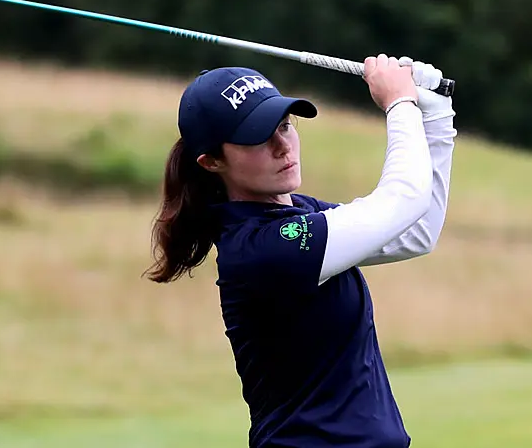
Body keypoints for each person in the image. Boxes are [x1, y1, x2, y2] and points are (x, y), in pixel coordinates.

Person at [145, 54, 457, 447]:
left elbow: (415, 231)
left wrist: (435, 113)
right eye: (257, 137)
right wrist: (399, 104)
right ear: (212, 162)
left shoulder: (298, 215)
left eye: (284, 126)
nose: (282, 146)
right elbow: (402, 202)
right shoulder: (263, 248)